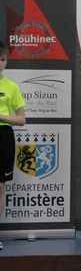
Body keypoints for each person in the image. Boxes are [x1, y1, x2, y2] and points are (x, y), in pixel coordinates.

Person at [0, 42, 26, 251]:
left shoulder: (12, 87)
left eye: (2, 59)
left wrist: (1, 116)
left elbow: (21, 119)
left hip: (3, 136)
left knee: (0, 186)